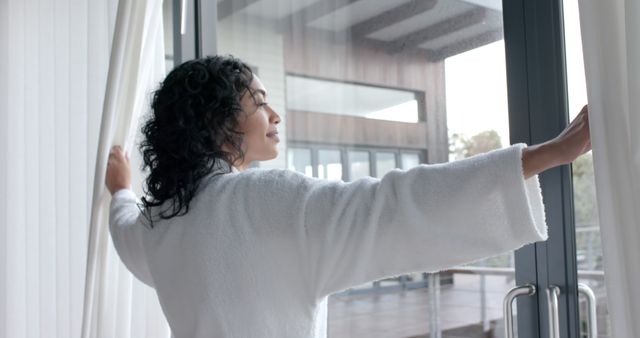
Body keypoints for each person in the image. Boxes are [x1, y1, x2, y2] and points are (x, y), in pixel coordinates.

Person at [105, 55, 591, 338]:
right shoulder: (264, 201)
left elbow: (124, 229)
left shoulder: (160, 224)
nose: (274, 116)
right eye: (258, 103)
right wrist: (545, 156)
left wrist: (121, 189)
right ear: (216, 121)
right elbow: (394, 205)